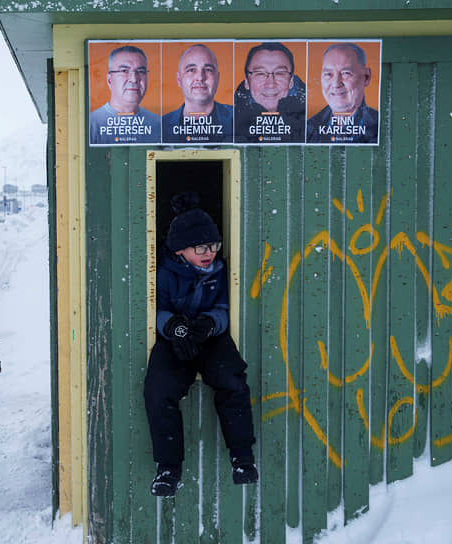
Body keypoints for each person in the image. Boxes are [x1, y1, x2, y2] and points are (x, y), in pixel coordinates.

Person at [144, 192, 257, 497]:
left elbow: (223, 308)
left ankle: (242, 457)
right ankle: (168, 469)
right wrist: (173, 326)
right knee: (158, 390)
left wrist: (209, 323)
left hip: (209, 338)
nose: (210, 252)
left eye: (214, 246)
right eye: (202, 247)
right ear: (181, 250)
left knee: (233, 381)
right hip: (173, 340)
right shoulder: (164, 274)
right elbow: (155, 308)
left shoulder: (219, 272)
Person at [234, 42, 306, 144]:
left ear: (291, 81)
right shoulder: (228, 122)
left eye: (280, 73)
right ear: (247, 81)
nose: (270, 84)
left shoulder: (312, 123)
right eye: (260, 73)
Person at [306, 42, 378, 144]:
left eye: (346, 73)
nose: (336, 84)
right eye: (328, 74)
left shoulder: (382, 126)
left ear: (366, 77)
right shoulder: (307, 129)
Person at [89, 45, 162, 145]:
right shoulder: (91, 124)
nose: (134, 79)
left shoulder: (159, 124)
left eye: (140, 71)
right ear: (110, 80)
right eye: (124, 71)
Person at [162, 44, 233, 144]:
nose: (200, 77)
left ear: (217, 78)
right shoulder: (160, 126)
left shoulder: (239, 119)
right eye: (191, 70)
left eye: (208, 69)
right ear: (179, 79)